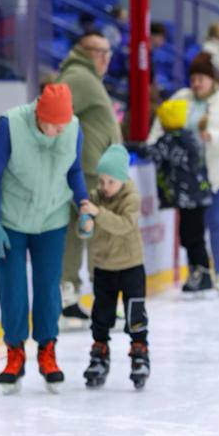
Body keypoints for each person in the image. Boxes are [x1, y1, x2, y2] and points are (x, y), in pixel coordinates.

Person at [0, 83, 90, 391]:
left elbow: (74, 170)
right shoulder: (11, 125)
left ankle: (47, 350)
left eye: (64, 124)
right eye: (54, 125)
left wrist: (83, 202)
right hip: (12, 220)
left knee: (48, 288)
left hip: (53, 219)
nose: (60, 130)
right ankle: (14, 352)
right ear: (38, 117)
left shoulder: (73, 127)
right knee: (13, 289)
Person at [151, 54, 219, 289]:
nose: (197, 83)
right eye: (193, 78)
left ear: (212, 79)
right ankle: (198, 271)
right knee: (192, 227)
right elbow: (161, 123)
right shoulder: (181, 98)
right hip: (191, 178)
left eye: (201, 78)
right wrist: (153, 143)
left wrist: (213, 136)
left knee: (217, 221)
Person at [58, 32, 121, 325]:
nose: (106, 58)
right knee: (93, 233)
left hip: (96, 169)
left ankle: (74, 297)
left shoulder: (87, 77)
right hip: (88, 170)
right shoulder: (79, 77)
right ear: (85, 51)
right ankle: (71, 298)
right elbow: (54, 112)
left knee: (85, 232)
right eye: (100, 52)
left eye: (109, 52)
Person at [77, 145, 149, 387]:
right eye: (101, 180)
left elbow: (123, 225)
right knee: (102, 313)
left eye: (110, 181)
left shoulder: (131, 197)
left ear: (122, 178)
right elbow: (85, 228)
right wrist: (85, 225)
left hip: (131, 266)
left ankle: (139, 353)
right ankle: (99, 353)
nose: (104, 186)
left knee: (135, 313)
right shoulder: (96, 196)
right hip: (104, 266)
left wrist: (97, 213)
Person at [140, 99, 215, 294]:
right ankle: (199, 272)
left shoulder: (168, 140)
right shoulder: (190, 136)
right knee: (194, 236)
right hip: (199, 196)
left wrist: (130, 146)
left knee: (192, 237)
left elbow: (150, 152)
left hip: (187, 199)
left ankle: (201, 273)